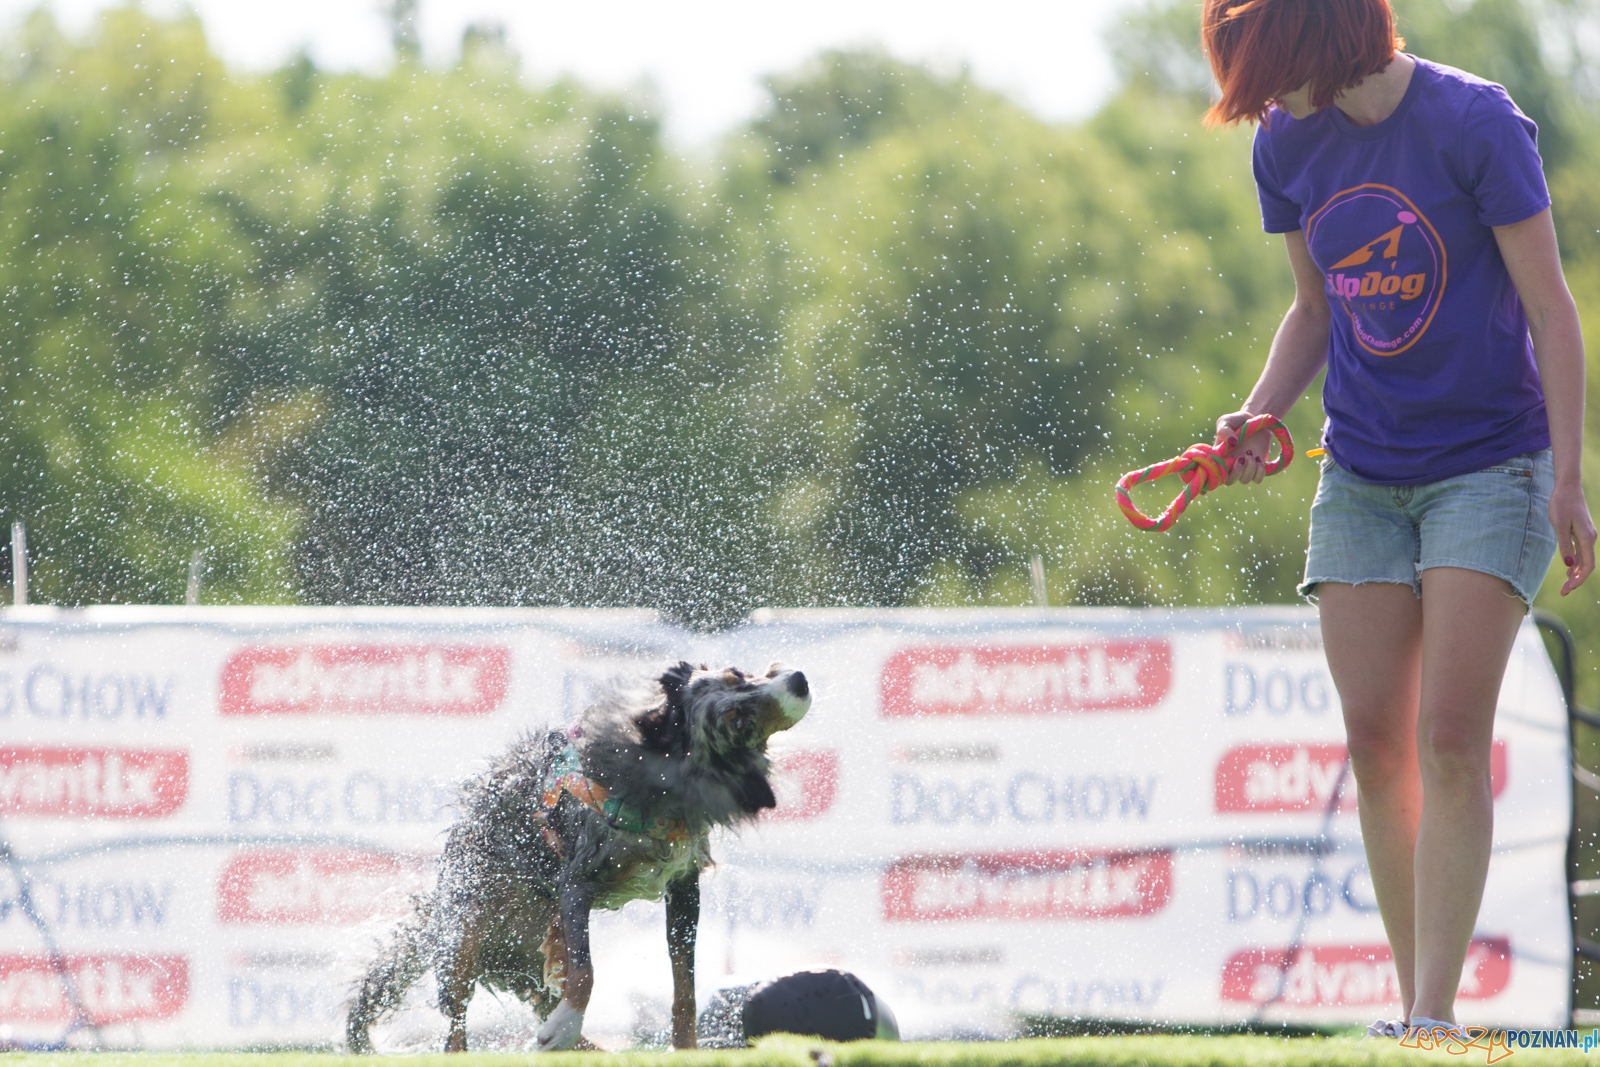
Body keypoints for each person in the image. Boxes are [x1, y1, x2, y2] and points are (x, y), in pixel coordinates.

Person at [1200, 0, 1598, 1037]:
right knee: (1375, 741)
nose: (1260, 105)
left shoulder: (1476, 122)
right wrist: (1258, 411)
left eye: (1266, 75)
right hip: (1362, 475)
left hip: (1491, 467)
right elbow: (1313, 309)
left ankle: (1430, 1015)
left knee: (1450, 737)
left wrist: (1566, 477)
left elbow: (1552, 306)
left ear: (1317, 41)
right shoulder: (1285, 143)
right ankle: (1411, 1003)